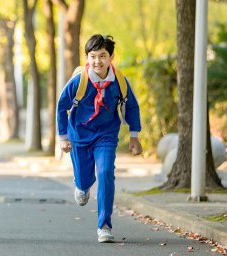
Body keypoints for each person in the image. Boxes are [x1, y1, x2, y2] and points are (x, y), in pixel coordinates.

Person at [56, 34, 142, 243]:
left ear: (111, 56)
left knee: (105, 173)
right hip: (79, 135)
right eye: (93, 56)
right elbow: (61, 106)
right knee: (84, 179)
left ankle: (104, 225)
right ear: (87, 57)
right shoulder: (79, 80)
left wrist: (134, 136)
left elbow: (132, 106)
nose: (97, 61)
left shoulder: (119, 81)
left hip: (106, 135)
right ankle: (82, 186)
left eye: (102, 56)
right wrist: (63, 137)